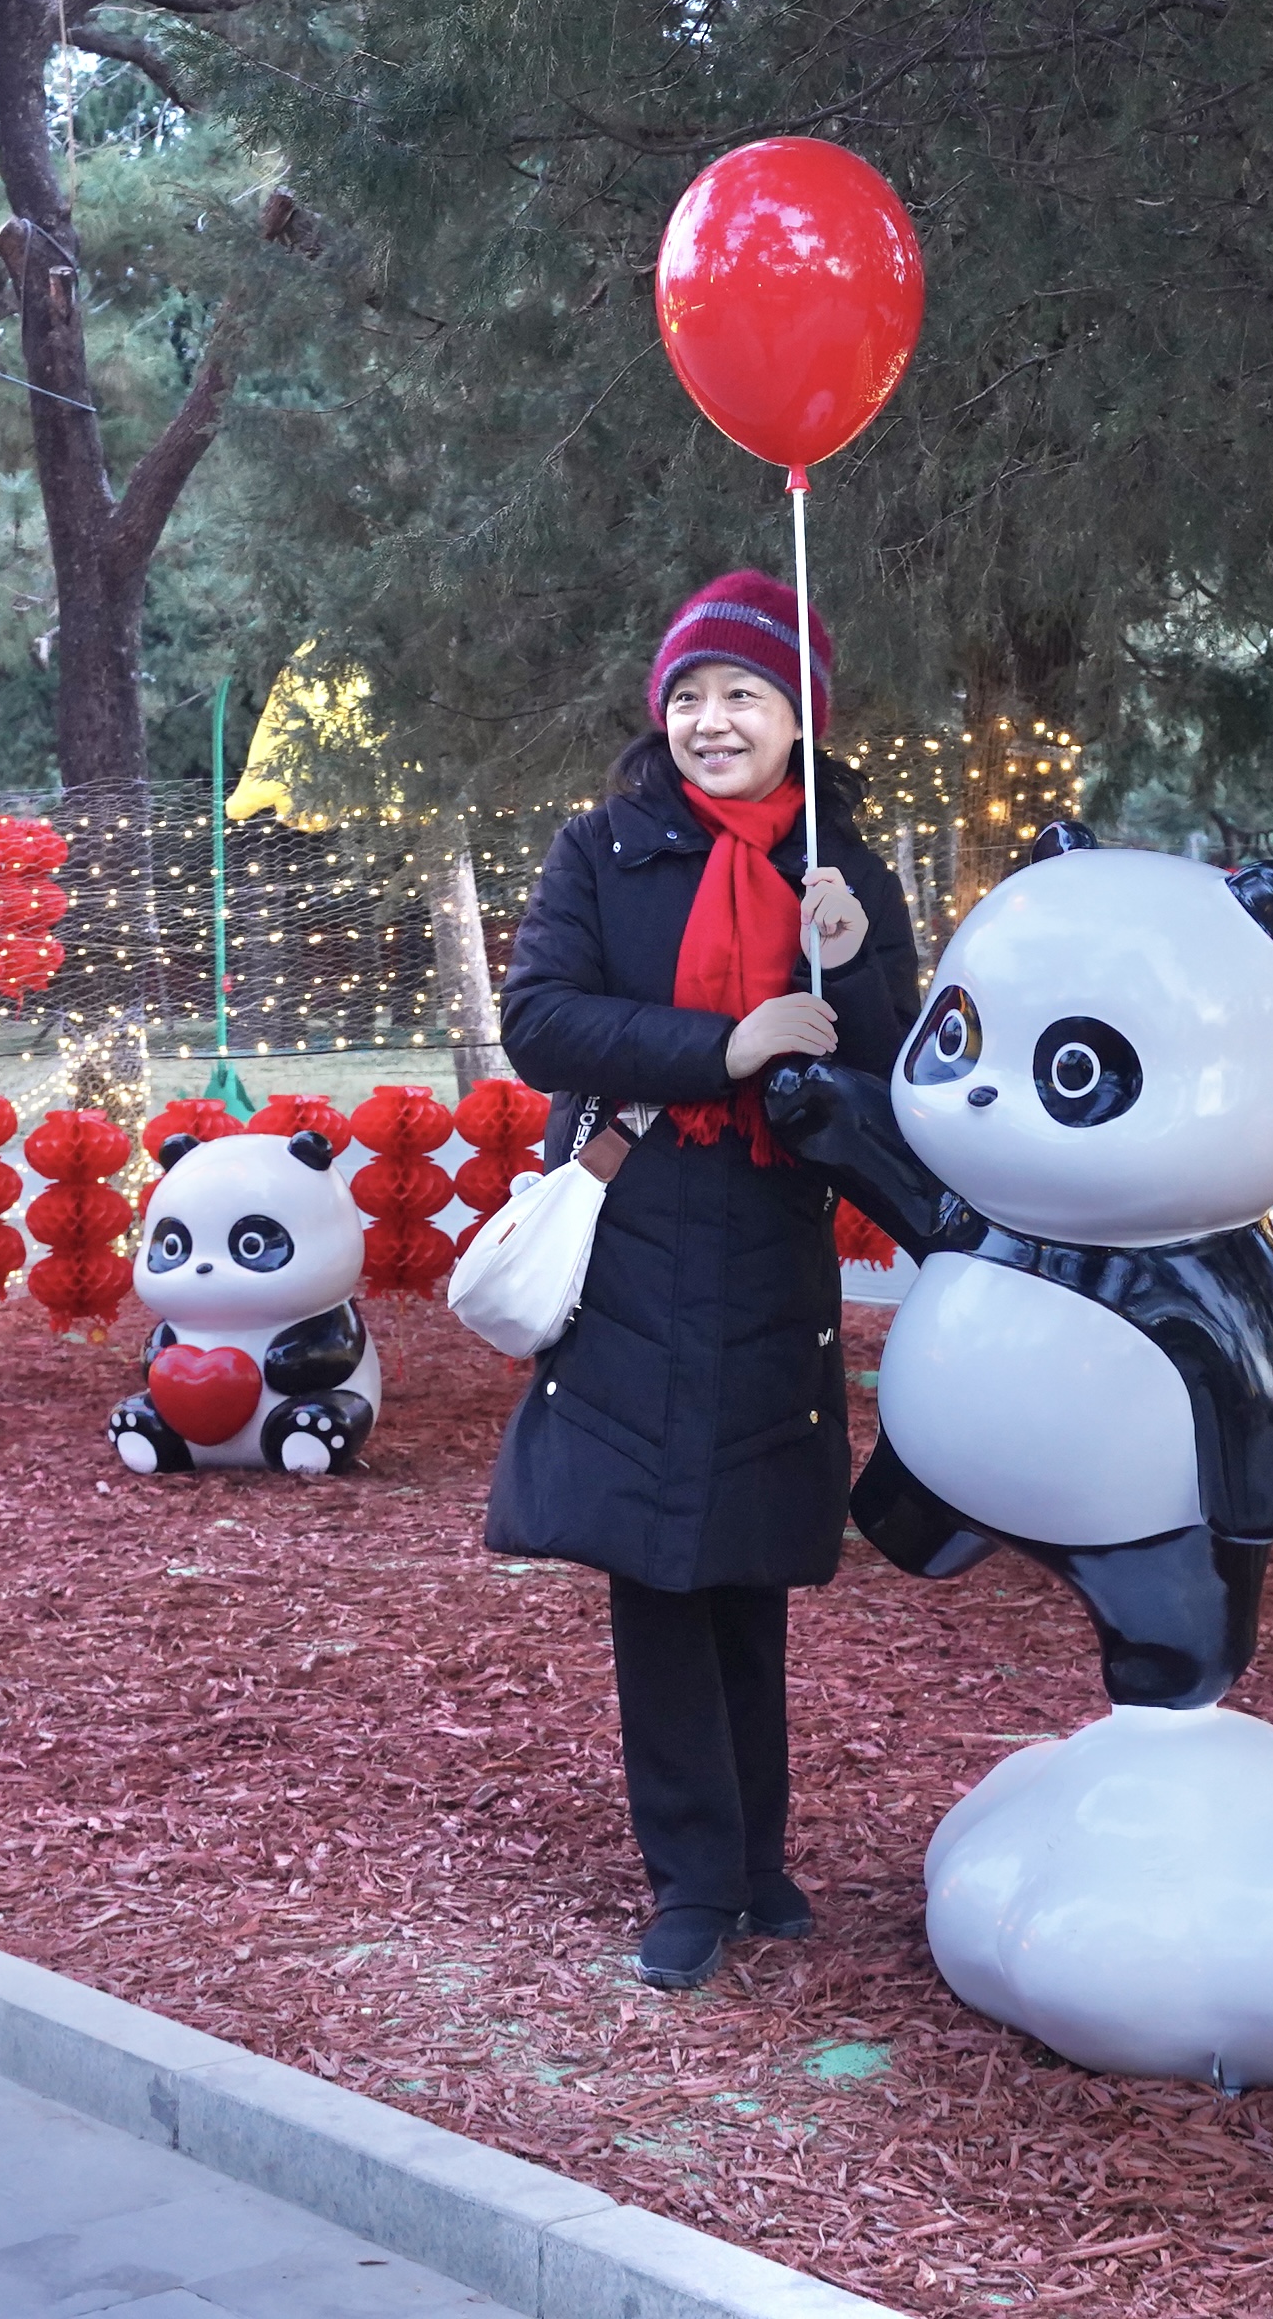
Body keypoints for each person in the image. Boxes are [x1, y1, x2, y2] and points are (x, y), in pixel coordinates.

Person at [483, 569, 923, 1989]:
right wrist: (722, 1046)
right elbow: (542, 1023)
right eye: (690, 695)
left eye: (744, 694)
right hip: (636, 1234)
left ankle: (756, 1859)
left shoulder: (844, 871)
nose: (712, 720)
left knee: (745, 1562)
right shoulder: (602, 850)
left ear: (800, 718)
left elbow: (888, 1079)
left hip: (769, 1245)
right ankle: (690, 1880)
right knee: (658, 1565)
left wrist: (850, 971)